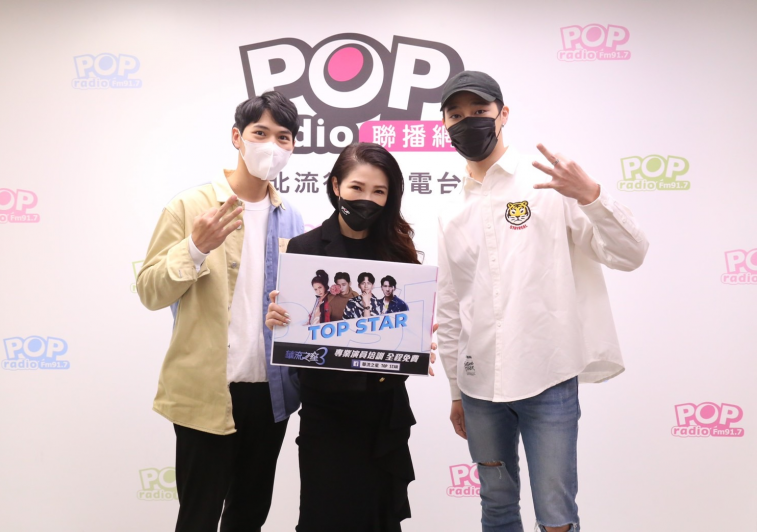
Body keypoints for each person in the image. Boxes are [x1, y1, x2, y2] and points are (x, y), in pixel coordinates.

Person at [436, 71, 649, 532]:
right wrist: (455, 389)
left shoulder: (548, 186)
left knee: (556, 518)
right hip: (478, 387)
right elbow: (451, 305)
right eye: (456, 115)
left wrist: (591, 196)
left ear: (503, 115)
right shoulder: (450, 208)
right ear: (445, 125)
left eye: (479, 111)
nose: (468, 121)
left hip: (547, 377)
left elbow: (631, 254)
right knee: (496, 506)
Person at [136, 91, 304, 532]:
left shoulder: (292, 217)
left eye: (283, 137)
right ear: (237, 137)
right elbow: (150, 291)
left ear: (292, 147)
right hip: (207, 391)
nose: (271, 146)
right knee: (198, 516)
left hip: (270, 394)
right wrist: (195, 247)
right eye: (260, 133)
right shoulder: (190, 206)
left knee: (249, 515)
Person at [265, 142, 436, 532]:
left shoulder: (399, 251)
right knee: (324, 517)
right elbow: (298, 329)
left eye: (379, 191)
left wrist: (418, 343)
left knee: (379, 518)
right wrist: (279, 320)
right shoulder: (306, 248)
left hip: (383, 413)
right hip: (327, 414)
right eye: (357, 187)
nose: (367, 199)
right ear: (336, 185)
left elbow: (405, 329)